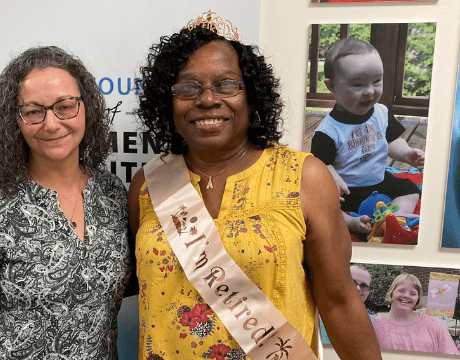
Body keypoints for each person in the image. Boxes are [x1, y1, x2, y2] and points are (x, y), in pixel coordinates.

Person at [129, 11, 381, 360]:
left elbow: (339, 302)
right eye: (188, 87)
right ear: (168, 101)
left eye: (225, 84)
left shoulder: (304, 176)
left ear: (252, 95)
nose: (206, 99)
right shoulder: (146, 184)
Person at [0, 46, 130, 360]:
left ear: (86, 108)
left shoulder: (111, 193)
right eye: (33, 111)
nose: (52, 124)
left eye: (65, 106)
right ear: (16, 120)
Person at [311, 37, 424, 234]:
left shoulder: (381, 113)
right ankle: (351, 223)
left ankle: (394, 218)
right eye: (358, 85)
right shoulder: (327, 131)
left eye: (376, 81)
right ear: (331, 86)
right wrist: (333, 179)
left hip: (379, 181)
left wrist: (407, 154)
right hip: (347, 191)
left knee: (410, 189)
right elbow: (321, 164)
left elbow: (391, 141)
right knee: (320, 205)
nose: (370, 91)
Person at [375, 273, 459, 354]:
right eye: (401, 291)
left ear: (417, 299)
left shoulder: (434, 324)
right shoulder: (375, 327)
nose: (407, 296)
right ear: (391, 292)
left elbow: (452, 355)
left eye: (413, 293)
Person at [321, 264, 375, 344]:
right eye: (352, 282)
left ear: (369, 291)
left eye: (364, 286)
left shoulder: (373, 324)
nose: (357, 289)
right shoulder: (316, 315)